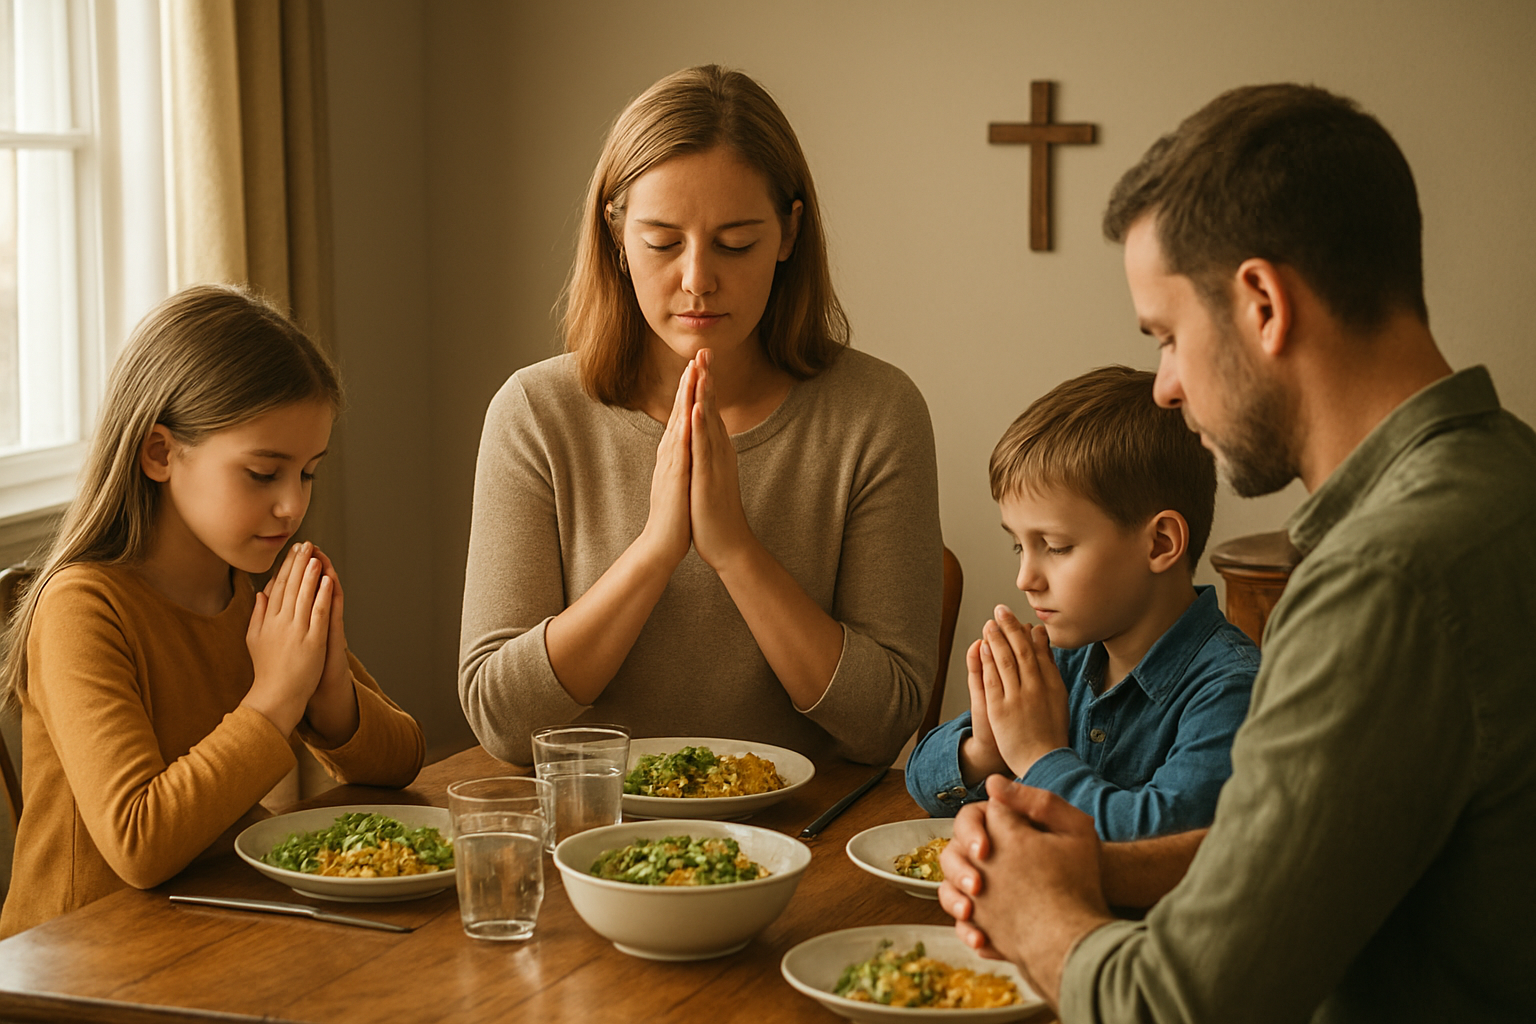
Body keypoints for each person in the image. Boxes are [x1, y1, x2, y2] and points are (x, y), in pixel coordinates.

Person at [938, 84, 1536, 1023]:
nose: (1166, 387)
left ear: (1261, 302)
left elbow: (1178, 1005)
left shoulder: (1383, 580)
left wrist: (1037, 909)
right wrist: (1100, 860)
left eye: (1168, 336)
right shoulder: (1506, 477)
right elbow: (1339, 849)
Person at [458, 65, 942, 767]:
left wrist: (735, 550)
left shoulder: (877, 413)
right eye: (662, 242)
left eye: (736, 243)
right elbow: (501, 721)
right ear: (616, 237)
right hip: (591, 834)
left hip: (803, 838)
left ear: (788, 234)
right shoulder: (535, 414)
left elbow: (885, 721)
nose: (696, 279)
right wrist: (657, 549)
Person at [0, 286, 426, 938]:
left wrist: (331, 688)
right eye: (263, 473)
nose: (292, 505)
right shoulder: (81, 609)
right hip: (81, 964)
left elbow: (402, 761)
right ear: (160, 453)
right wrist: (278, 694)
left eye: (309, 473)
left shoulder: (249, 590)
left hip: (222, 928)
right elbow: (140, 845)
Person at [905, 367, 1256, 840]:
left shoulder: (1231, 691)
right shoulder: (1061, 658)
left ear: (1159, 544)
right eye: (1018, 546)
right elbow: (923, 779)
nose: (1025, 578)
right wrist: (985, 749)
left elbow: (1158, 843)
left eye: (1056, 546)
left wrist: (1037, 756)